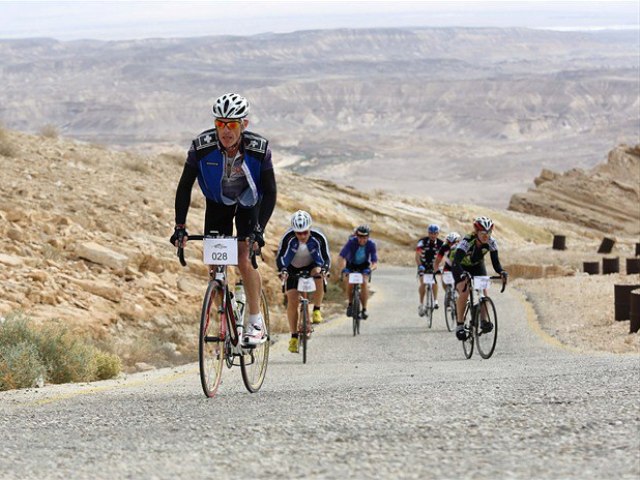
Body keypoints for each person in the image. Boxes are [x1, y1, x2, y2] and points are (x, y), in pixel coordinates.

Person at [170, 93, 277, 346]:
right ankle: (224, 316)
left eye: (232, 124)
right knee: (215, 264)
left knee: (242, 257)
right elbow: (184, 186)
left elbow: (270, 190)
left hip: (250, 202)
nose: (225, 130)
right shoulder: (201, 146)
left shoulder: (258, 149)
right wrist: (180, 227)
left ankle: (254, 320)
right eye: (220, 124)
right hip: (218, 203)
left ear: (244, 125)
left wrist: (258, 231)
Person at [276, 210, 331, 353]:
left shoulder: (318, 238)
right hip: (292, 268)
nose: (302, 236)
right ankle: (293, 337)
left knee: (319, 274)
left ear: (309, 229)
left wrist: (325, 269)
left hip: (312, 266)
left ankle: (317, 310)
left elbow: (326, 257)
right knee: (293, 300)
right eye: (298, 233)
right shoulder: (288, 238)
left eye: (305, 232)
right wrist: (283, 270)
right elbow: (281, 257)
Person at [451, 216, 508, 341]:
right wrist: (462, 274)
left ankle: (484, 320)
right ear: (476, 232)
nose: (486, 235)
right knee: (464, 291)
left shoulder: (491, 242)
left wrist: (502, 272)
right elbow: (456, 262)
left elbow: (496, 263)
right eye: (483, 233)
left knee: (484, 290)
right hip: (460, 266)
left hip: (477, 266)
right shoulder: (467, 241)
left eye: (488, 232)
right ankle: (460, 324)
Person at [339, 225, 378, 320]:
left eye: (365, 237)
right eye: (360, 237)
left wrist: (370, 269)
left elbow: (374, 262)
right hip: (351, 265)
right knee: (349, 282)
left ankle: (364, 309)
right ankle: (350, 304)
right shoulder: (351, 242)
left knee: (364, 283)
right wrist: (343, 268)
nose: (362, 239)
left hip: (364, 266)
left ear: (368, 237)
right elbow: (342, 257)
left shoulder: (371, 244)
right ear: (356, 236)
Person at [415, 224, 444, 316]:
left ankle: (435, 301)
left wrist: (440, 266)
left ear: (438, 233)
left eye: (435, 233)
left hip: (434, 265)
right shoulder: (422, 242)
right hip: (423, 265)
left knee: (434, 281)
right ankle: (421, 304)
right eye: (431, 233)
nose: (433, 235)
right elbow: (417, 255)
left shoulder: (441, 243)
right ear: (428, 233)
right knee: (423, 282)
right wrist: (419, 265)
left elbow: (443, 257)